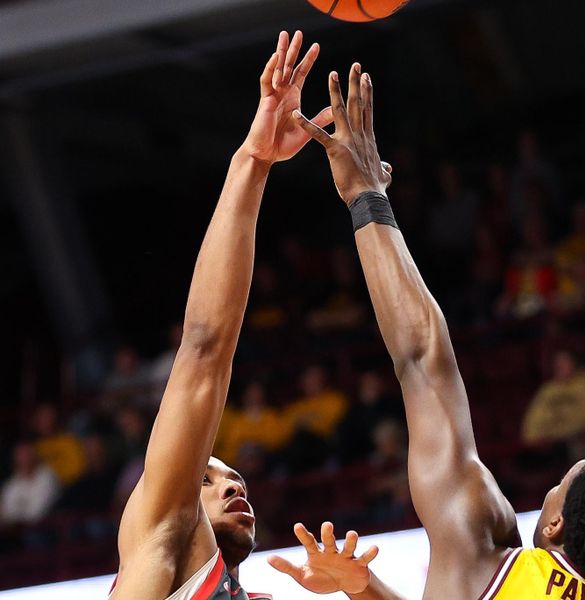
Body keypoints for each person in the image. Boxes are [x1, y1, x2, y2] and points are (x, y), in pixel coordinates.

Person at [295, 61, 585, 598]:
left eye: (557, 487)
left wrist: (365, 196)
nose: (547, 492)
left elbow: (424, 357)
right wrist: (366, 589)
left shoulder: (486, 546)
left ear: (554, 526)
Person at [111, 32, 386, 600]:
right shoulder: (161, 551)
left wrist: (365, 591)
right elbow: (205, 349)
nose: (230, 481)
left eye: (229, 475)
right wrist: (254, 161)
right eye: (208, 478)